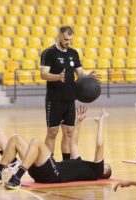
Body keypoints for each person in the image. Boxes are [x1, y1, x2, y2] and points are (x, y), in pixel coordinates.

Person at [0, 106, 111, 189]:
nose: (104, 163)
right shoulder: (81, 164)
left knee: (36, 142)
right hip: (43, 172)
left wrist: (101, 123)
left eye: (106, 165)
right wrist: (79, 121)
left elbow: (99, 146)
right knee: (15, 139)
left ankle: (17, 178)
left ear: (104, 171)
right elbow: (73, 143)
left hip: (54, 174)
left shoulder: (96, 172)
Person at [40, 26, 100, 160]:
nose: (68, 42)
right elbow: (43, 74)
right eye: (66, 39)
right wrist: (57, 77)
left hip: (70, 98)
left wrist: (88, 77)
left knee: (68, 133)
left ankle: (66, 163)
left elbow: (80, 74)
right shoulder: (49, 53)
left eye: (70, 40)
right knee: (52, 132)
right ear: (59, 36)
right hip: (54, 99)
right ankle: (49, 162)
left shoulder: (74, 53)